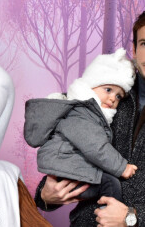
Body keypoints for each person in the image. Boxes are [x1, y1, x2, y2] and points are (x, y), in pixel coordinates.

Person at [32, 12, 145, 227]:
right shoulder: (109, 90)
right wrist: (45, 194)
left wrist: (132, 217)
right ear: (134, 49)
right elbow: (66, 140)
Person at [25, 48, 136, 204]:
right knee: (110, 184)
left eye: (118, 96)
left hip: (68, 167)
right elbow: (95, 147)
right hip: (67, 169)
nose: (112, 99)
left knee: (107, 184)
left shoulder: (87, 113)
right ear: (90, 86)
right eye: (108, 90)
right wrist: (122, 167)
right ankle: (109, 219)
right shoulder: (81, 113)